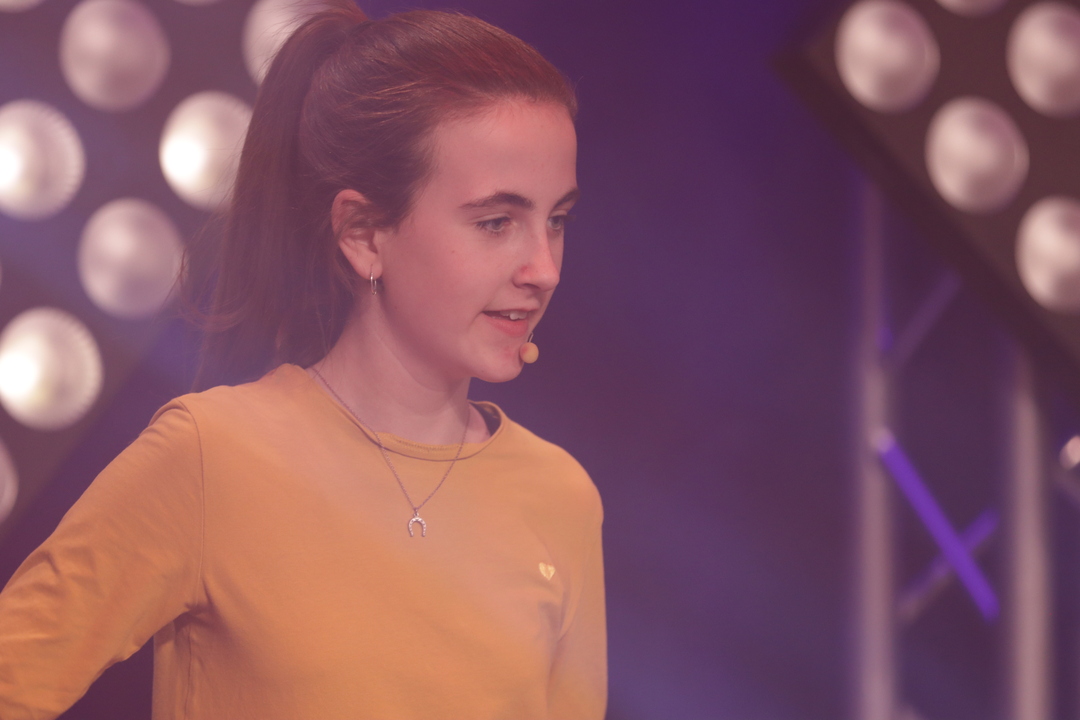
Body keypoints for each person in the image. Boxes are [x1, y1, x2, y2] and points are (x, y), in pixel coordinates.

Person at [0, 3, 606, 718]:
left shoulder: (560, 497)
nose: (544, 268)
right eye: (496, 222)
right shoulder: (212, 456)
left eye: (556, 220)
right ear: (364, 233)